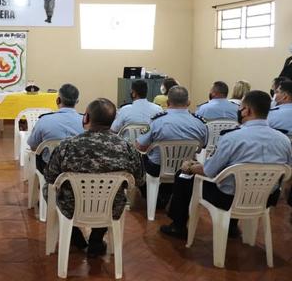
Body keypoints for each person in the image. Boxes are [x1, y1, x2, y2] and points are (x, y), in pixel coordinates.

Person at [160, 90, 292, 239]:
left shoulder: (232, 138)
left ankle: (178, 226)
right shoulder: (284, 140)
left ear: (247, 110)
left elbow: (209, 171)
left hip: (227, 198)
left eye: (241, 108)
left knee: (183, 176)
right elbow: (287, 172)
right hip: (265, 198)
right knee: (237, 181)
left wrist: (190, 167)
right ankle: (232, 227)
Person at [44, 98, 144, 257]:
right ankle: (96, 239)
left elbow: (50, 177)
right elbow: (139, 180)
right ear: (112, 121)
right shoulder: (127, 147)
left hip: (72, 206)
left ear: (86, 118)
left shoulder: (67, 145)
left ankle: (76, 236)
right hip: (110, 206)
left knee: (47, 188)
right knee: (110, 197)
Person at [136, 86, 208, 206]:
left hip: (158, 168)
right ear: (188, 102)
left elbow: (140, 146)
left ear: (168, 102)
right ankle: (169, 195)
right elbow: (203, 146)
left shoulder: (157, 121)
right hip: (186, 168)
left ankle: (153, 197)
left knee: (140, 159)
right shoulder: (200, 123)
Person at [27, 83, 84, 172]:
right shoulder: (86, 121)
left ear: (57, 100)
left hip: (50, 169)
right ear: (77, 102)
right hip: (79, 168)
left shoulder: (44, 120)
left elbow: (33, 147)